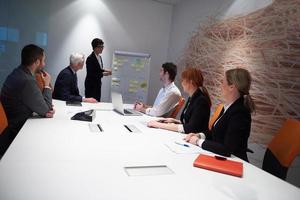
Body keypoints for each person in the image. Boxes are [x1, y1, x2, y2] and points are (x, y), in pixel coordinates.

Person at [184, 68, 255, 161]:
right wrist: (199, 135)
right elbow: (215, 132)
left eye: (223, 83)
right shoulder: (228, 107)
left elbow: (227, 149)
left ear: (232, 87)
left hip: (234, 162)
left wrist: (198, 141)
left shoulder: (240, 112)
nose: (221, 86)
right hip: (220, 157)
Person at [0, 44, 54, 157]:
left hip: (12, 125)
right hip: (16, 132)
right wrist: (47, 84)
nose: (44, 64)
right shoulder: (27, 80)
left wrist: (41, 107)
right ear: (37, 62)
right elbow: (46, 109)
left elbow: (41, 105)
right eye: (43, 61)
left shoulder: (18, 72)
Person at [147, 67, 211, 134]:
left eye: (183, 80)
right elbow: (188, 122)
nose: (181, 83)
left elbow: (190, 128)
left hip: (192, 138)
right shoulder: (192, 98)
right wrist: (174, 121)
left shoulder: (201, 101)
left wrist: (159, 125)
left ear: (191, 82)